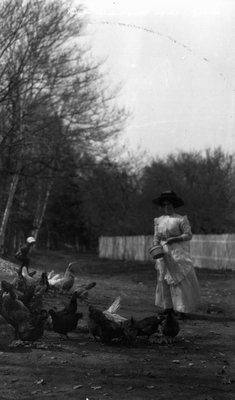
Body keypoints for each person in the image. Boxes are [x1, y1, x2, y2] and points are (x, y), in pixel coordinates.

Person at [152, 190, 200, 315]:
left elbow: (188, 235)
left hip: (178, 252)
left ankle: (181, 309)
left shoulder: (180, 219)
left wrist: (175, 238)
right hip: (163, 252)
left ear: (173, 205)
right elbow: (156, 237)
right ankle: (168, 307)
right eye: (164, 205)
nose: (167, 207)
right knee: (164, 278)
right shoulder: (159, 220)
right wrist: (155, 246)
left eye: (169, 204)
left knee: (178, 278)